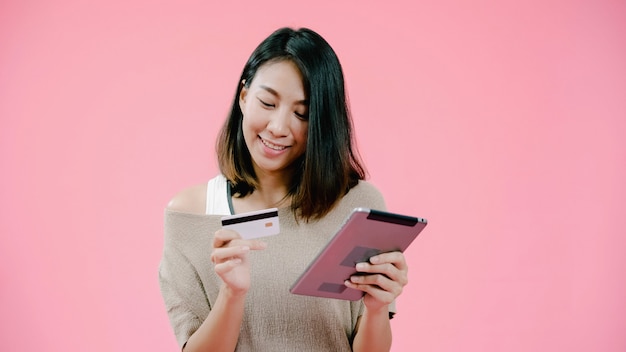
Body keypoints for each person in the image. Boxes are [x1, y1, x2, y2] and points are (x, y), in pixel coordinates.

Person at [159, 27, 410, 352]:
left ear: (323, 123)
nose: (278, 127)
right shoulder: (192, 214)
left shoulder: (359, 205)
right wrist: (232, 295)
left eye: (302, 114)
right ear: (244, 96)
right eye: (267, 102)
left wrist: (377, 307)